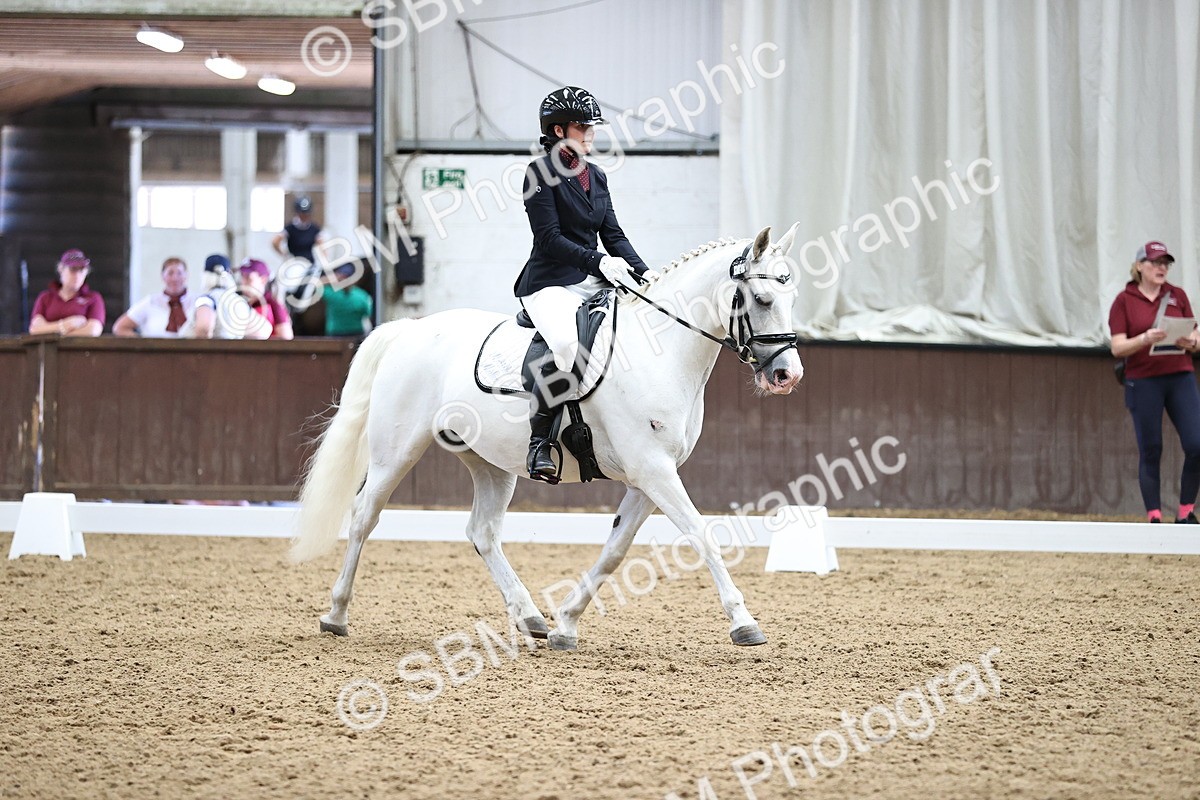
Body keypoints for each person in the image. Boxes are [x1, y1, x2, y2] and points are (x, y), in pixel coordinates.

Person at [514, 86, 660, 480]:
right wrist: (599, 262)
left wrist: (647, 276)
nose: (591, 133)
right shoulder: (539, 174)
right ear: (559, 130)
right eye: (583, 126)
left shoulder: (595, 175)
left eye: (592, 126)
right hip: (550, 282)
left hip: (593, 277)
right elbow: (549, 238)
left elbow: (613, 234)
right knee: (564, 344)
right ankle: (541, 443)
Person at [1108, 240, 1200, 523]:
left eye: (1165, 263)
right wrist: (1144, 339)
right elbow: (1117, 347)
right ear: (1139, 266)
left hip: (1180, 375)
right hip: (1143, 380)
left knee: (1196, 443)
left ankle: (1186, 511)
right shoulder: (1124, 301)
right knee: (1151, 448)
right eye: (1155, 262)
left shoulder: (1177, 295)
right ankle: (1154, 516)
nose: (1162, 268)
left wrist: (1191, 342)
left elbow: (1196, 334)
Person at [179, 254, 265, 340]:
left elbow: (204, 328)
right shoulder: (240, 302)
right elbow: (262, 331)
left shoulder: (206, 300)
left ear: (205, 274)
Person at [28, 248, 105, 336]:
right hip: (47, 350)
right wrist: (67, 324)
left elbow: (93, 331)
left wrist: (49, 330)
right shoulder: (45, 297)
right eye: (73, 269)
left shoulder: (93, 298)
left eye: (81, 270)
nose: (77, 275)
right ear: (61, 269)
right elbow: (34, 329)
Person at [113, 257, 192, 337]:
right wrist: (143, 345)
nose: (175, 278)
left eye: (179, 273)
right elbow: (120, 328)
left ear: (186, 275)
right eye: (170, 273)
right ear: (163, 276)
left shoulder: (197, 302)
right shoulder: (150, 302)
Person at [238, 258, 294, 340]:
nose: (243, 282)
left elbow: (286, 339)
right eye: (242, 277)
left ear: (263, 280)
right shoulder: (245, 304)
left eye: (248, 278)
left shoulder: (274, 305)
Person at [321, 263, 373, 337]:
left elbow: (318, 284)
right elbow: (370, 313)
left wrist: (331, 279)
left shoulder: (332, 293)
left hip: (343, 335)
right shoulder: (361, 295)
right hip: (351, 334)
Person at [272, 196, 326, 265]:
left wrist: (324, 260)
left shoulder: (314, 228)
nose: (304, 216)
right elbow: (275, 242)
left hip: (309, 263)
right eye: (302, 214)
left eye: (307, 214)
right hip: (294, 262)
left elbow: (321, 245)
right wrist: (284, 254)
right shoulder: (290, 228)